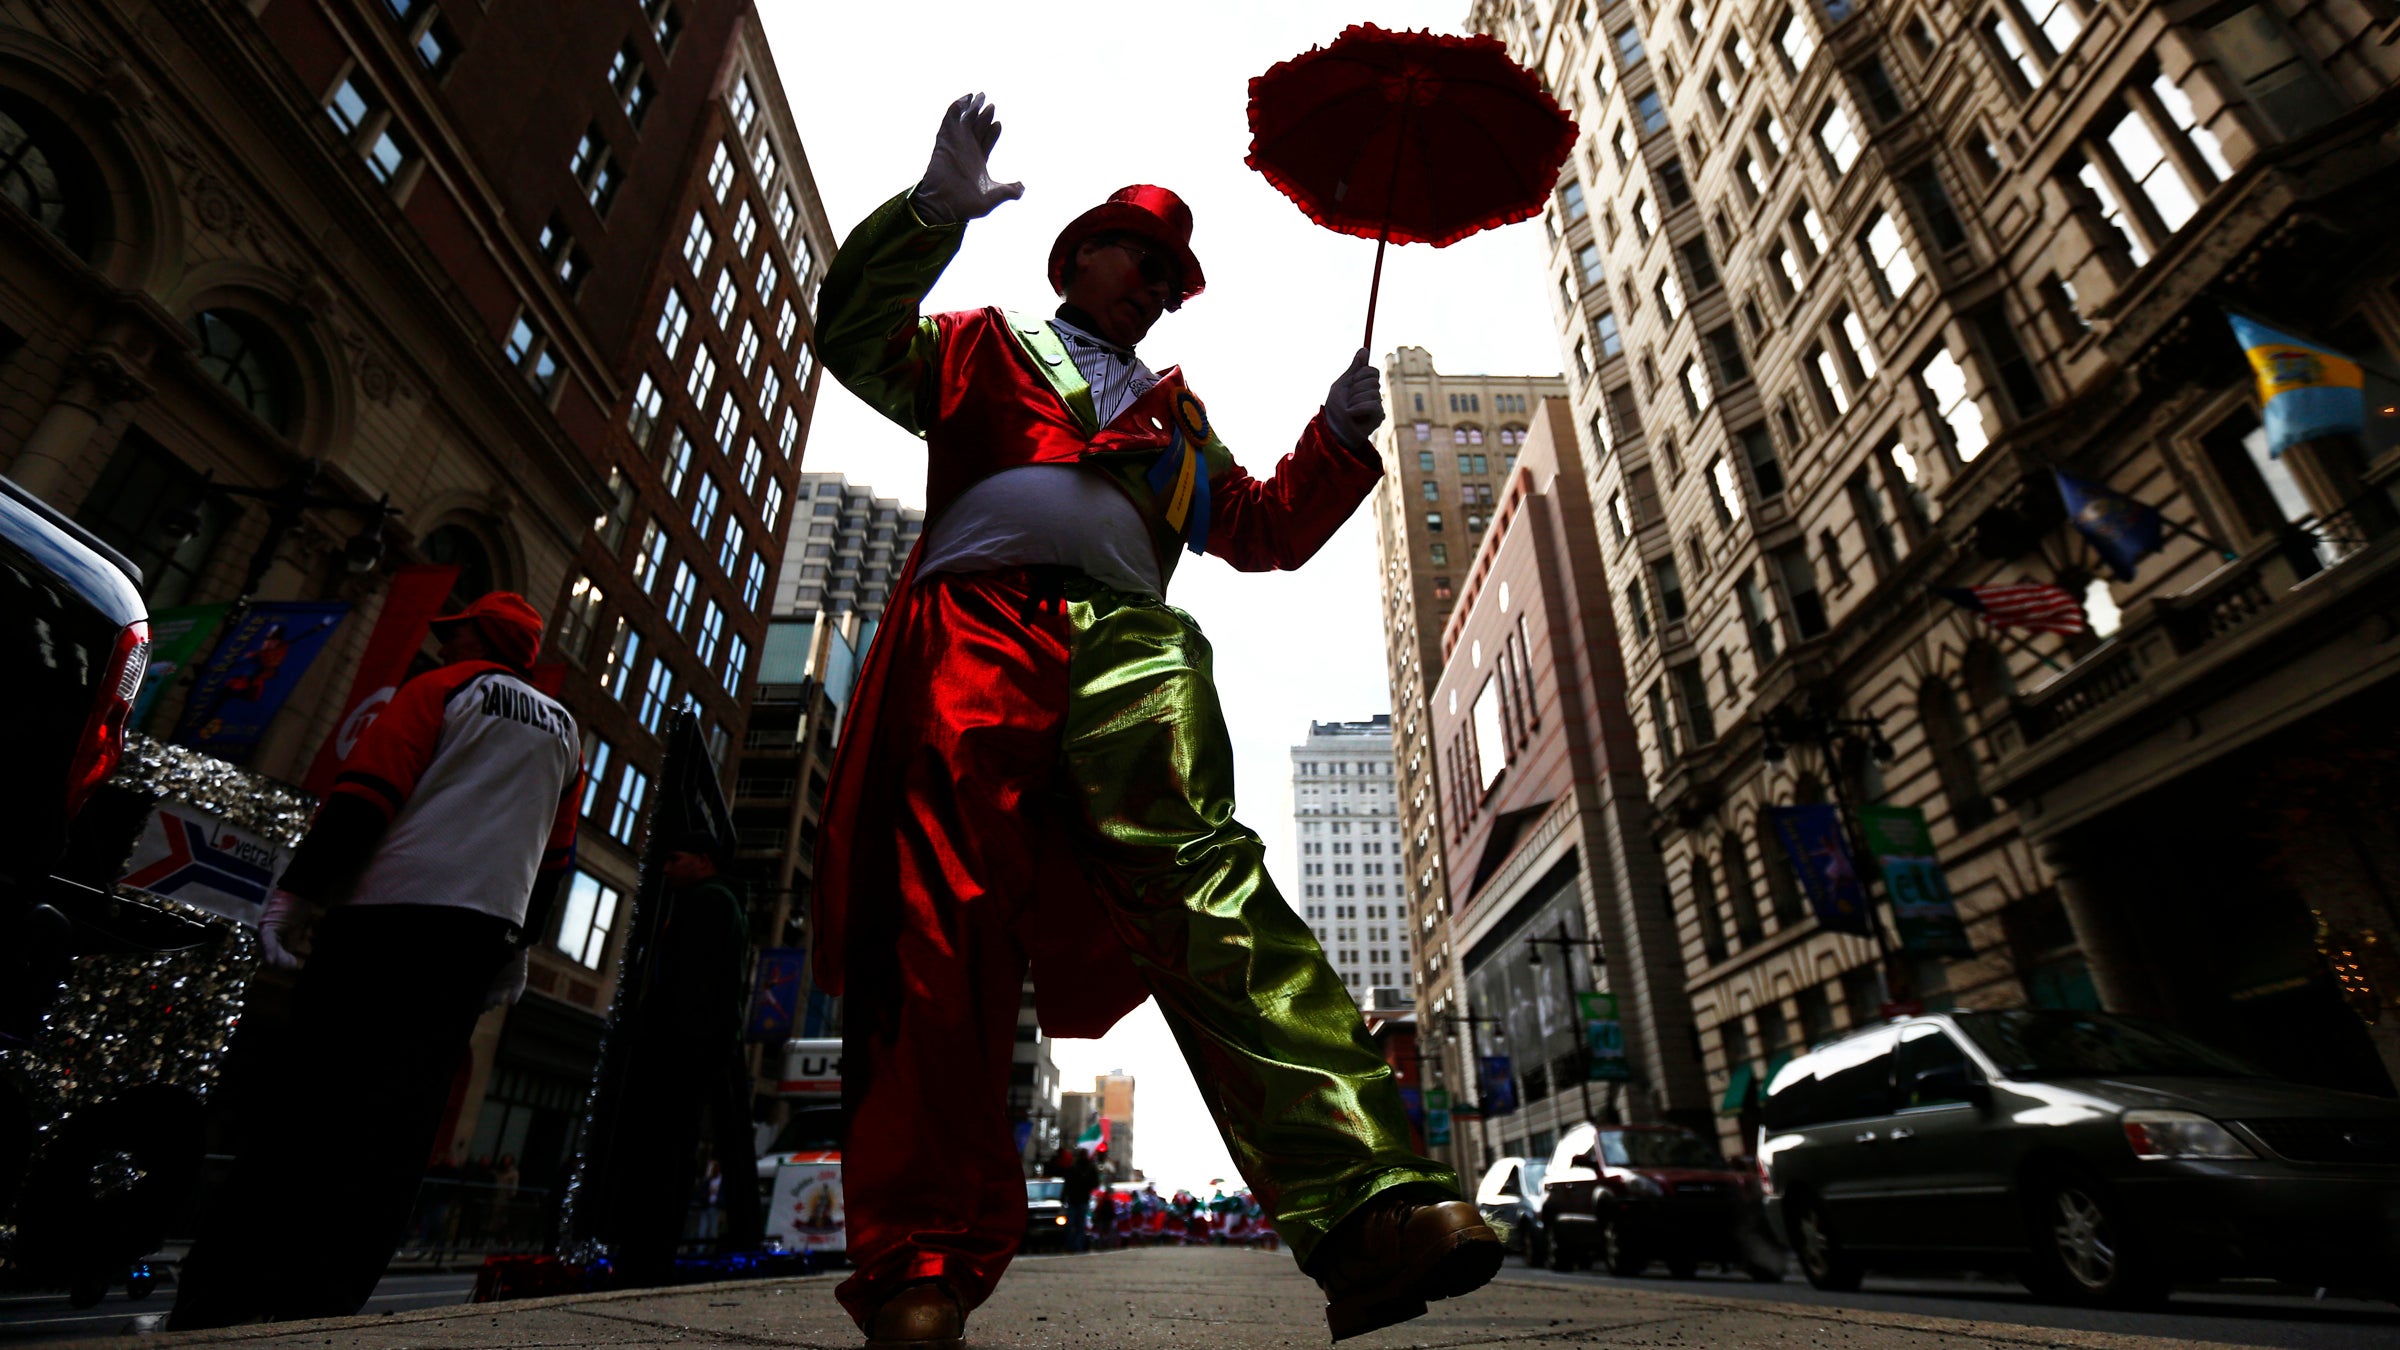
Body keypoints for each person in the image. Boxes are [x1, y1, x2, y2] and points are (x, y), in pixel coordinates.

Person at [813, 93, 1500, 1349]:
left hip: (1135, 654)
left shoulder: (1176, 420)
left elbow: (1261, 531)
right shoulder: (978, 346)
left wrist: (1338, 439)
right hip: (971, 636)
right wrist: (929, 215)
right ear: (1075, 255)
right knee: (936, 925)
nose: (1157, 287)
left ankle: (1372, 1211)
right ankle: (918, 1261)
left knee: (1216, 905)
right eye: (1141, 258)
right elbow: (854, 336)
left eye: (1175, 277)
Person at [170, 592, 581, 1328]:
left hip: (386, 920)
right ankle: (333, 1299)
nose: (443, 646)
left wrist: (297, 892)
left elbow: (366, 794)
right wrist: (521, 944)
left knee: (310, 1098)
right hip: (476, 938)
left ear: (478, 638)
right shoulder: (564, 731)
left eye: (455, 635)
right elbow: (557, 858)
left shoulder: (441, 689)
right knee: (400, 1124)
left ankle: (227, 1292)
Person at [1062, 1146, 1100, 1254]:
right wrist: (1064, 1196)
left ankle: (1076, 1246)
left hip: (1081, 1199)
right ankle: (1071, 1246)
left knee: (1078, 1224)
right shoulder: (1074, 1167)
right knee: (1073, 1224)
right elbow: (1067, 1183)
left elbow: (1095, 1183)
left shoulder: (1089, 1168)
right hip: (1075, 1199)